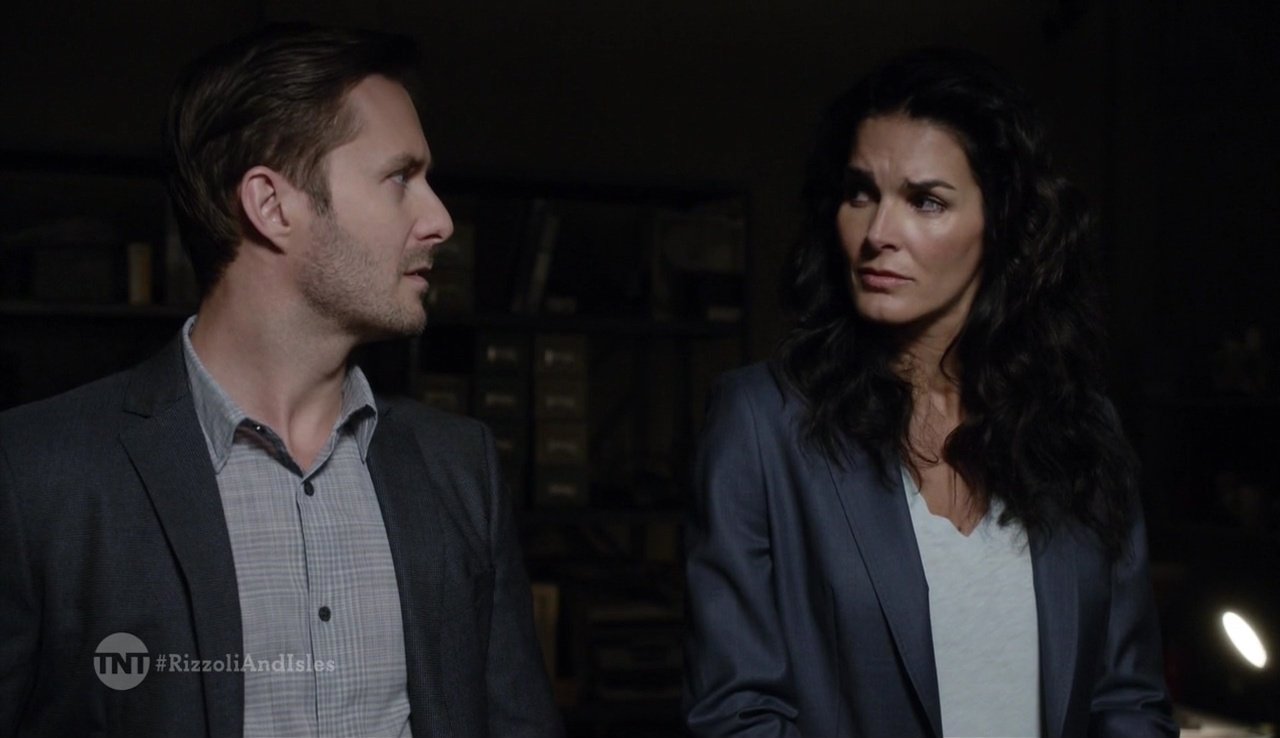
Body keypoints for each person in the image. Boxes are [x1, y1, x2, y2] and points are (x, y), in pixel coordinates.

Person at [0, 24, 561, 738]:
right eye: (400, 177)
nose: (441, 219)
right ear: (271, 205)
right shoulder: (37, 475)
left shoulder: (459, 466)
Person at [683, 48, 1176, 738]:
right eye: (860, 193)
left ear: (1000, 224)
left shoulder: (1078, 428)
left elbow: (1128, 700)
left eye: (926, 201)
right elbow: (735, 715)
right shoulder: (762, 424)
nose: (878, 234)